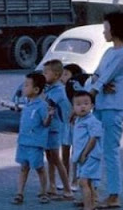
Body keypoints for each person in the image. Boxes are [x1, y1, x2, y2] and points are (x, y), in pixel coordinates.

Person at [88, 11, 123, 209]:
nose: (104, 32)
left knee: (110, 151)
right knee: (94, 149)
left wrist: (95, 87)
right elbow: (97, 75)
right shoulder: (109, 52)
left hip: (113, 107)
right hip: (101, 105)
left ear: (114, 30)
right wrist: (99, 83)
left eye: (106, 28)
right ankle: (92, 192)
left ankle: (114, 195)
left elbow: (104, 77)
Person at [11, 72, 53, 205]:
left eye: (26, 85)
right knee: (24, 167)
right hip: (23, 142)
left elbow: (45, 123)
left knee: (39, 167)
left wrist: (50, 116)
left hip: (35, 143)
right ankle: (19, 193)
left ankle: (44, 192)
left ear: (36, 89)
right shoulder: (27, 104)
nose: (24, 88)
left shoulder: (41, 105)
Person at [42, 59, 74, 201]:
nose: (43, 75)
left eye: (46, 73)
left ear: (56, 75)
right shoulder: (49, 89)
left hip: (55, 128)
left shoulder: (59, 90)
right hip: (48, 127)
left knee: (56, 158)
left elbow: (47, 103)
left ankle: (67, 189)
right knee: (49, 157)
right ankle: (52, 186)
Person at [71, 90, 103, 210]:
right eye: (78, 104)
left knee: (83, 182)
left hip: (90, 156)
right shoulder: (78, 120)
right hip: (82, 157)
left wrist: (85, 153)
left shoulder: (92, 121)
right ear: (73, 107)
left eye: (86, 103)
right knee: (88, 182)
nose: (82, 107)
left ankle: (88, 207)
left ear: (92, 106)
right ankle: (91, 204)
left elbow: (93, 138)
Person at [59, 64, 83, 192]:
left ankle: (76, 180)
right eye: (62, 74)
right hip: (65, 125)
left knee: (76, 154)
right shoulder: (60, 90)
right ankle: (65, 179)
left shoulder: (77, 90)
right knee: (64, 153)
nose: (62, 77)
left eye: (66, 74)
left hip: (76, 125)